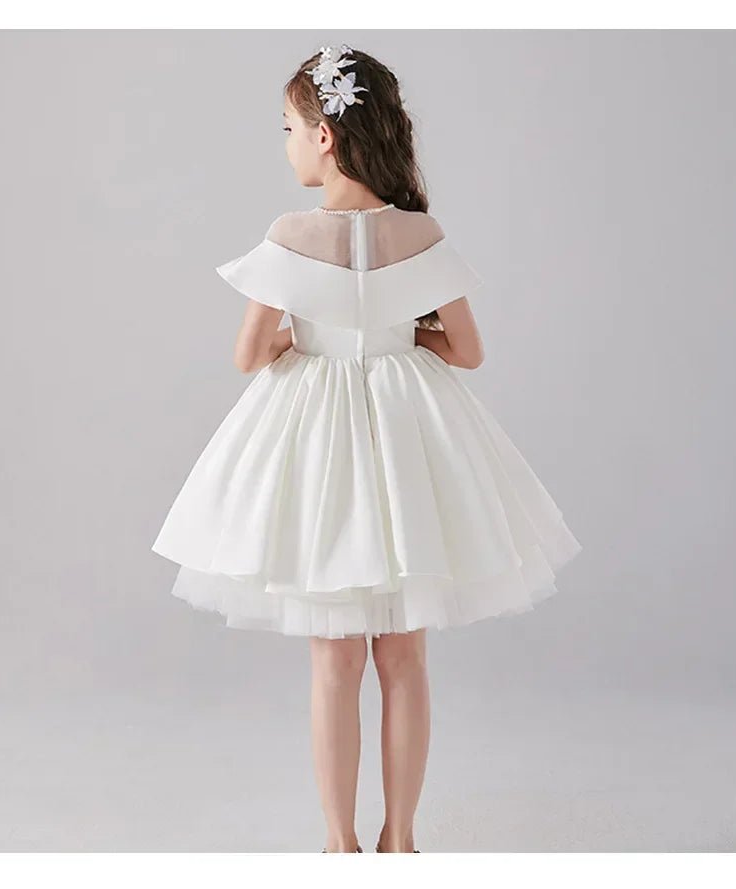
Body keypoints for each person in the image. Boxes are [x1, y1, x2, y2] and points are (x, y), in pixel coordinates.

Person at [151, 44, 582, 854]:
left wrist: (302, 331)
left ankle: (338, 843)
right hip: (407, 437)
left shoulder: (289, 232)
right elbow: (468, 350)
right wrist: (403, 327)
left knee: (333, 660)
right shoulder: (421, 231)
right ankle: (402, 839)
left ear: (324, 136)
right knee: (405, 655)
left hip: (318, 444)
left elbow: (248, 357)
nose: (285, 142)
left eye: (288, 126)